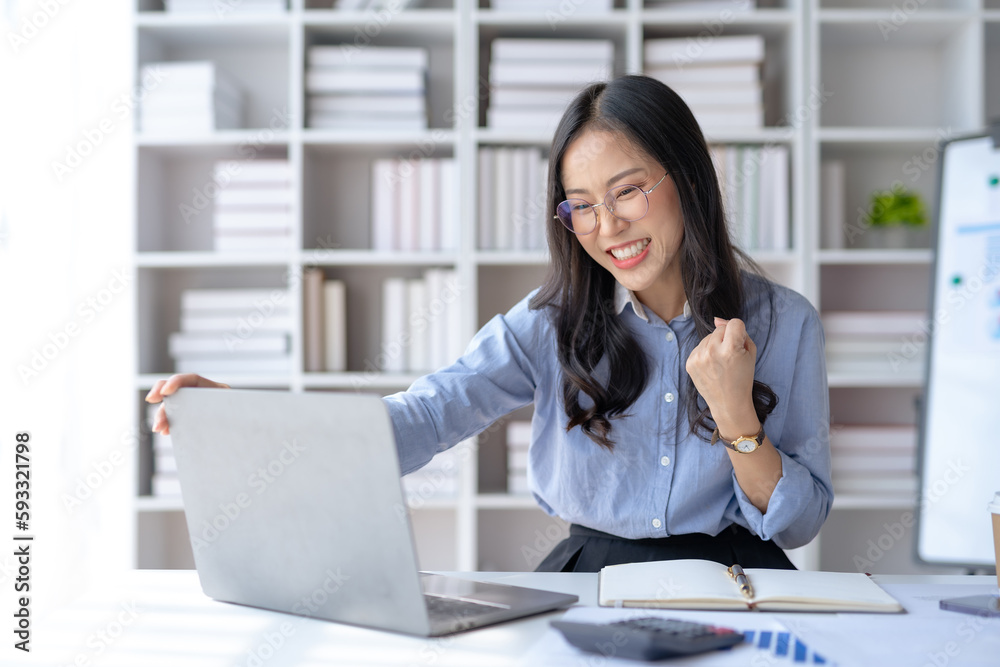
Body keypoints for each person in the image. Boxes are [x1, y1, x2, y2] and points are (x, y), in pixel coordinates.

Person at [147, 75, 832, 573]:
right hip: (593, 578)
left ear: (686, 178)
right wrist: (251, 418)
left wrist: (737, 415)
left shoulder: (783, 323)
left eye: (628, 190)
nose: (608, 225)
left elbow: (799, 523)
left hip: (740, 581)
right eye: (582, 205)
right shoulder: (545, 326)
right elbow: (421, 418)